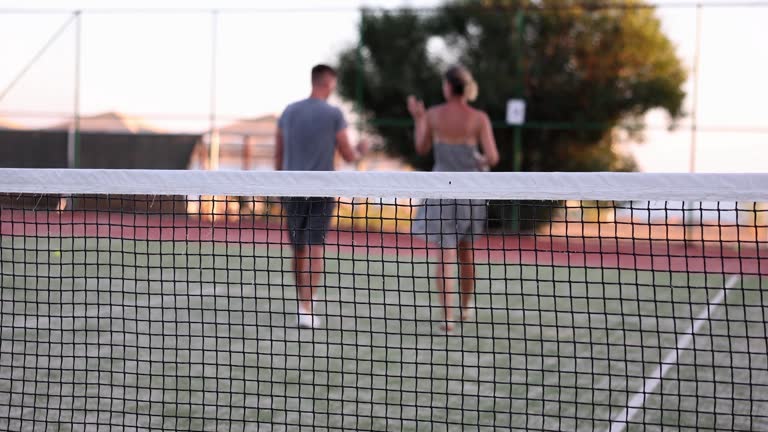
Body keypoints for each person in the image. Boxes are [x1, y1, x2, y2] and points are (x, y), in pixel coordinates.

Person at [275, 64, 368, 329]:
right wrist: (361, 149)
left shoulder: (289, 112)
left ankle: (303, 305)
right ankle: (307, 305)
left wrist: (277, 185)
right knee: (315, 247)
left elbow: (278, 156)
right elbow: (349, 155)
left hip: (291, 189)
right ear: (328, 83)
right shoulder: (334, 114)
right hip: (321, 191)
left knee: (298, 249)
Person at [407, 65, 499, 332]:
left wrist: (418, 118)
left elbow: (421, 148)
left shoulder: (433, 115)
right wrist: (480, 160)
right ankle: (465, 308)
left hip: (441, 191)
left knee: (445, 255)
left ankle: (447, 318)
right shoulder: (479, 118)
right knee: (466, 253)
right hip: (470, 191)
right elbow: (492, 157)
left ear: (448, 87)